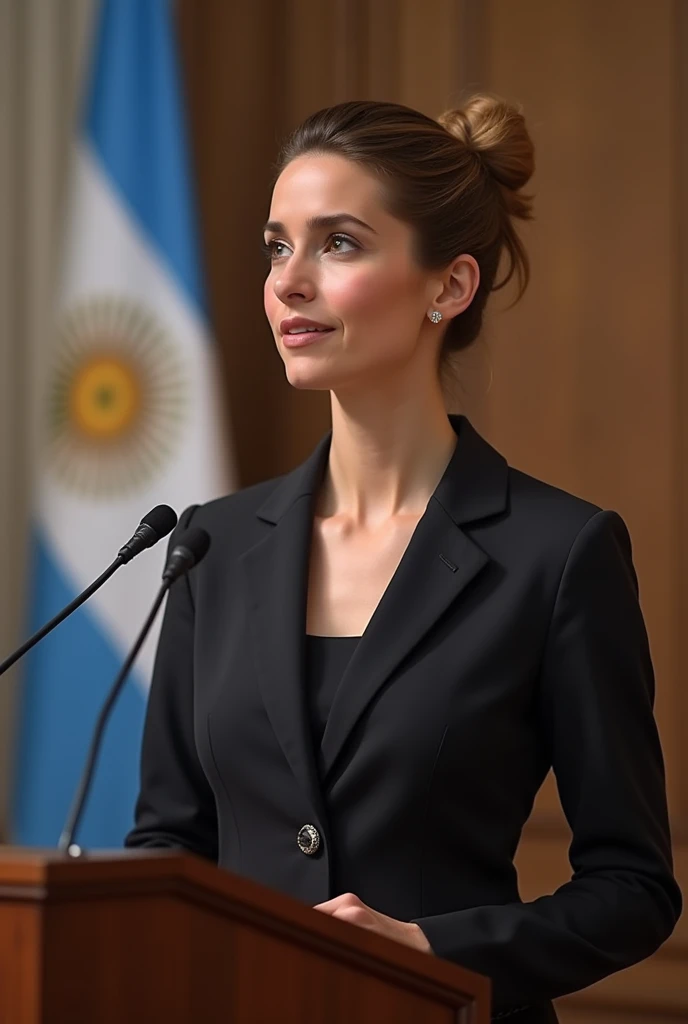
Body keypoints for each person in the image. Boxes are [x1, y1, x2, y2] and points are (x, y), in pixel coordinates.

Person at [125, 96, 682, 1022]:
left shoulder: (559, 553)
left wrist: (429, 950)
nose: (288, 282)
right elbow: (165, 843)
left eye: (337, 244)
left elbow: (633, 889)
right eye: (276, 246)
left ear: (450, 287)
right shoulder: (208, 544)